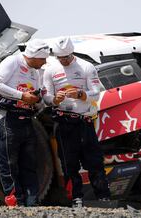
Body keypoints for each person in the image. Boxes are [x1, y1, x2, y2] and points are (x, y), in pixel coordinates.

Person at [43, 36, 110, 207]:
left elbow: (97, 93)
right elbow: (46, 97)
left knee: (94, 161)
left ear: (72, 53)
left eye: (66, 57)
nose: (63, 61)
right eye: (60, 58)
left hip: (84, 121)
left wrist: (81, 94)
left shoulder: (86, 67)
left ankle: (103, 196)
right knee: (68, 162)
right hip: (63, 122)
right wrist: (54, 100)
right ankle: (76, 198)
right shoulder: (50, 70)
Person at [0, 39, 49, 206]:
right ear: (35, 56)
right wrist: (22, 96)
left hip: (27, 119)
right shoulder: (12, 61)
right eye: (43, 59)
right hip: (7, 117)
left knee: (29, 163)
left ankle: (32, 203)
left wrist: (39, 100)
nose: (45, 62)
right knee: (9, 163)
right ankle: (16, 203)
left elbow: (36, 99)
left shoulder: (36, 72)